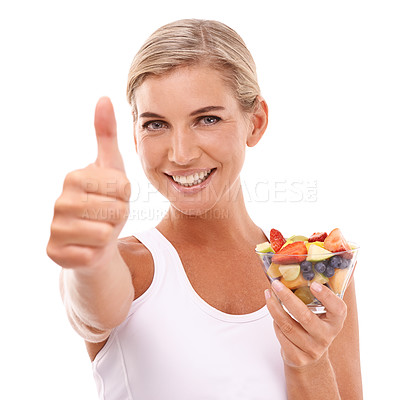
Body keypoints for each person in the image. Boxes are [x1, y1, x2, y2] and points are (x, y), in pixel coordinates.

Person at [47, 19, 362, 400]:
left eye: (207, 119)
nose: (181, 154)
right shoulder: (131, 267)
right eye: (156, 124)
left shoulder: (320, 273)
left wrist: (308, 363)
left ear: (256, 122)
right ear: (135, 135)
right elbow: (90, 309)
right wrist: (89, 257)